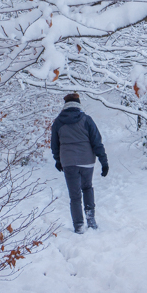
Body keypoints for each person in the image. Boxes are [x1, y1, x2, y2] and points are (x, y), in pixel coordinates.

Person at [50, 92, 109, 233]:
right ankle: (91, 220)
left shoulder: (58, 122)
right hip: (87, 160)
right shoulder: (86, 120)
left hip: (68, 162)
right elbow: (97, 141)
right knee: (87, 188)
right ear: (79, 104)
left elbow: (54, 144)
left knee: (74, 195)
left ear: (65, 105)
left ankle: (78, 226)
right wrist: (103, 161)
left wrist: (58, 160)